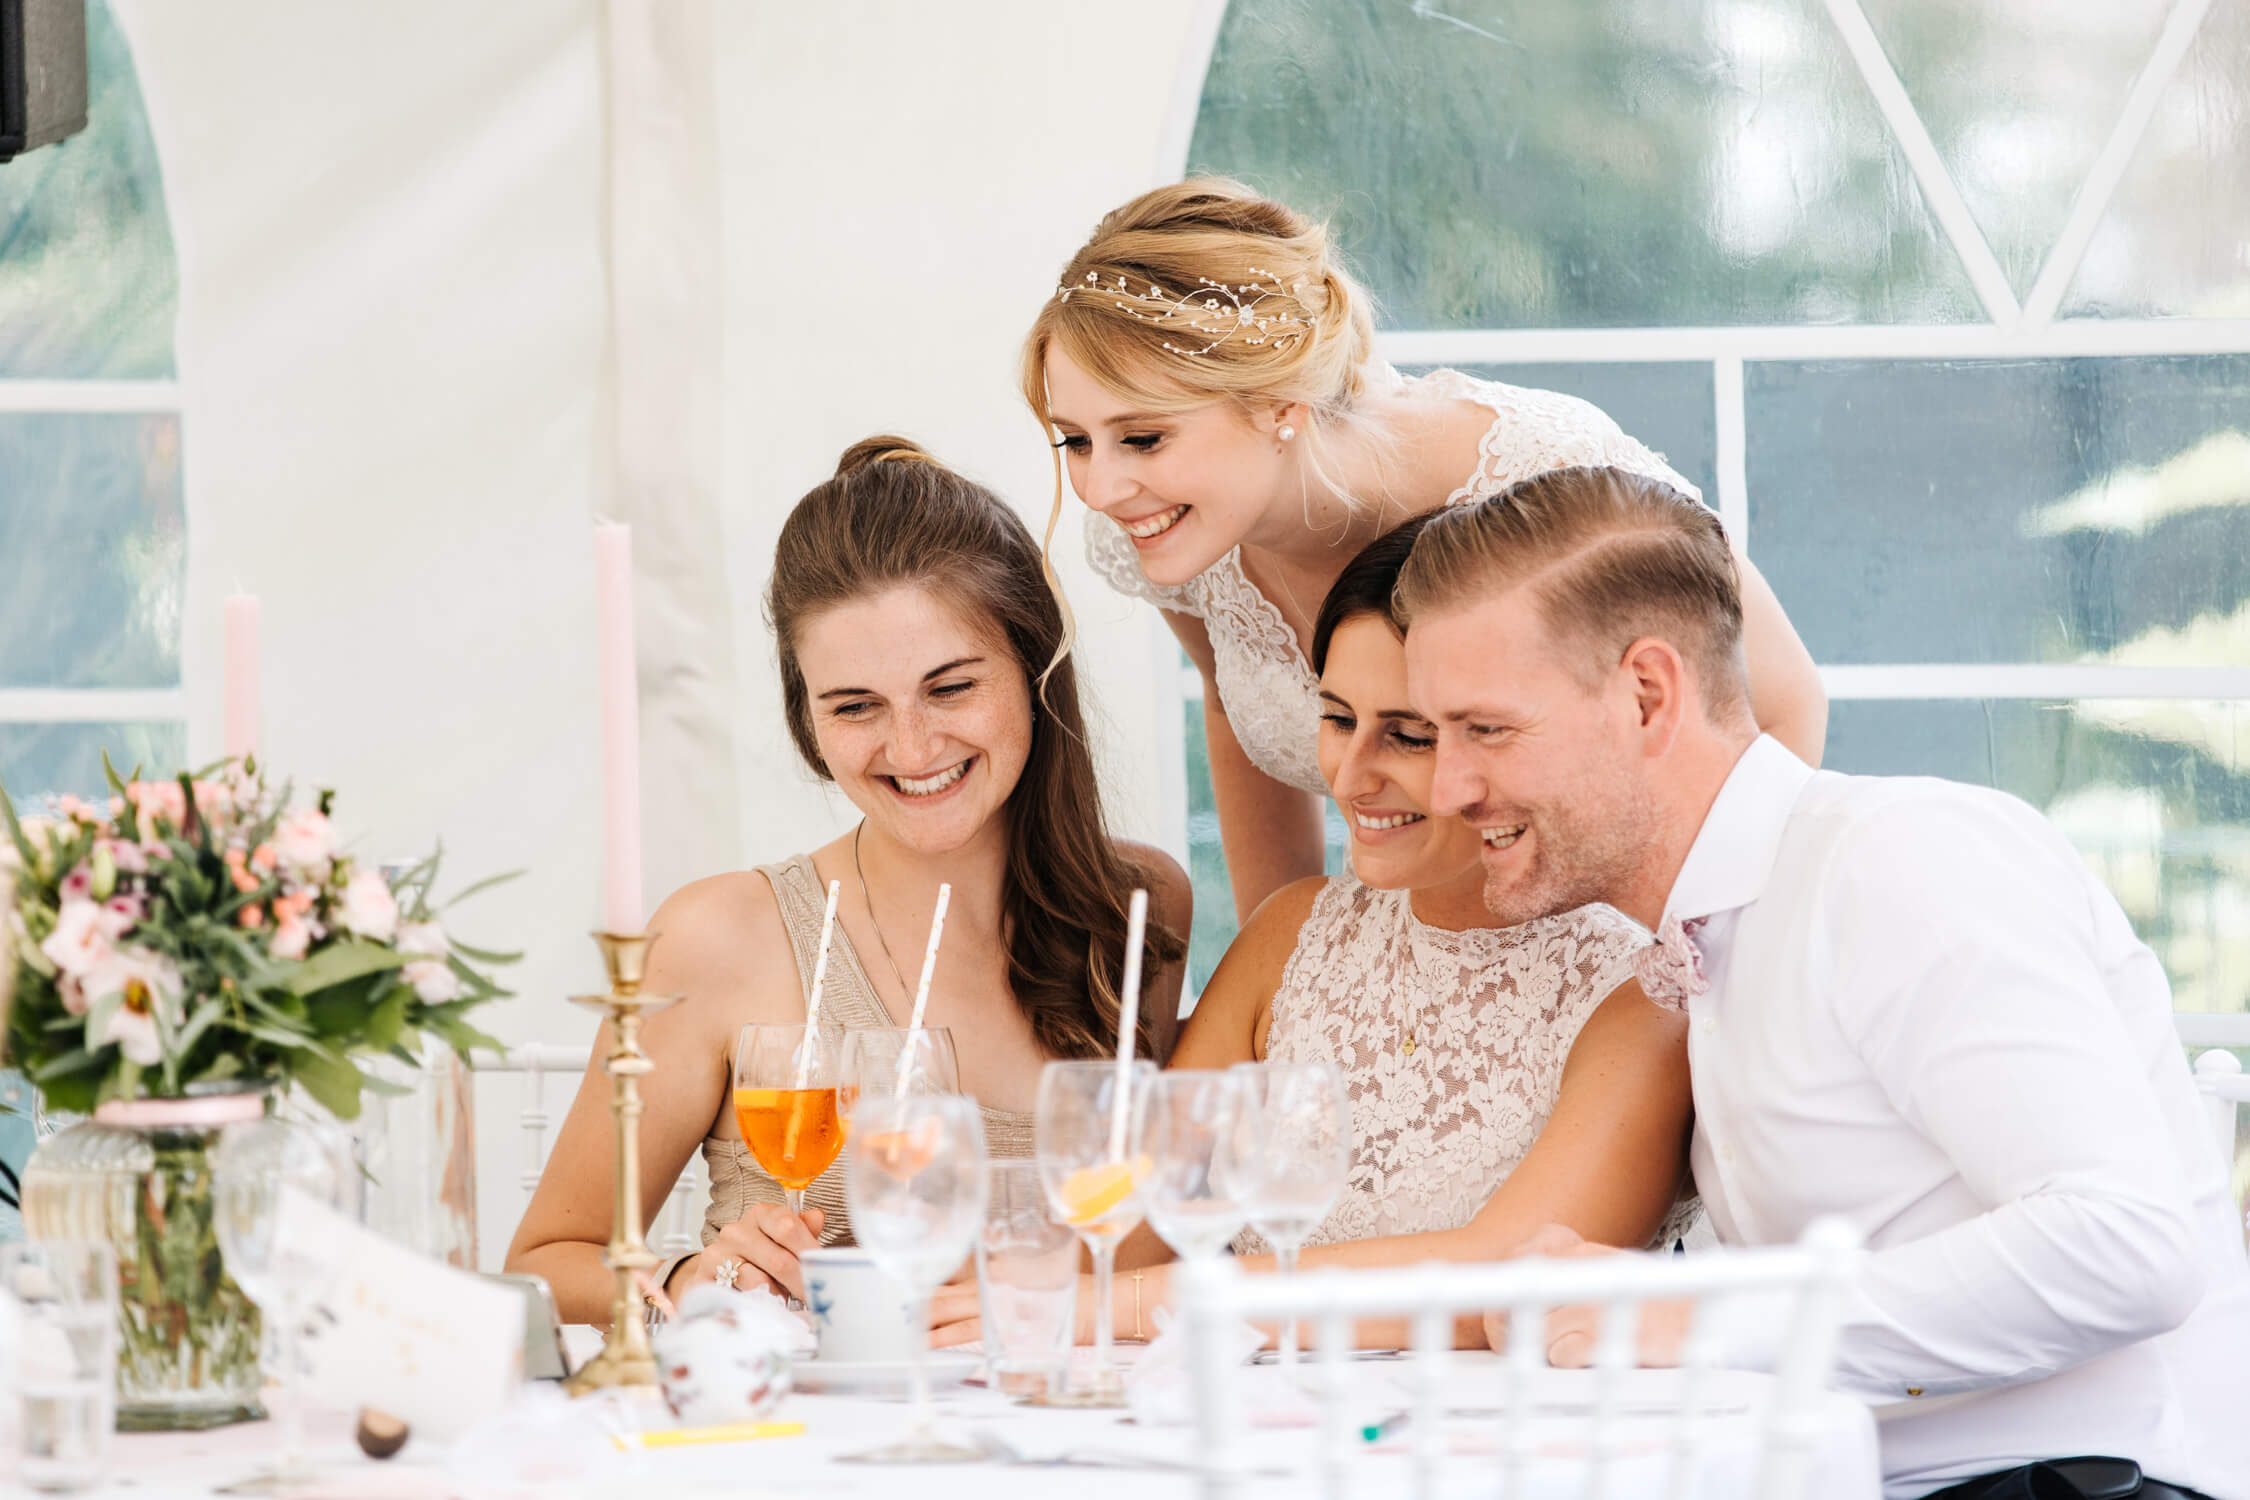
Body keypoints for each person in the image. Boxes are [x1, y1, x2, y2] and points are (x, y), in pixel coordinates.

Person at [1397, 463, 2250, 1500]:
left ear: (1647, 695)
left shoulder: (1897, 859)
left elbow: (2129, 1248)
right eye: (1435, 735)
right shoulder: (1722, 934)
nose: (1448, 788)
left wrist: (1681, 1317)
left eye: (1486, 730)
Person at [931, 520, 1693, 1350]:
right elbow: (1133, 1231)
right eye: (1337, 717)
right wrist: (870, 1269)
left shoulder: (1642, 988)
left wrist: (1097, 1312)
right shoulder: (1292, 934)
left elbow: (1496, 1279)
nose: (1353, 774)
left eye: (1408, 734)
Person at [507, 437, 1190, 1322]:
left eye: (949, 689)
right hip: (805, 1441)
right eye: (855, 706)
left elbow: (1145, 1253)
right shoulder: (715, 936)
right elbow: (542, 1262)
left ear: (1034, 667)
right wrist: (687, 1280)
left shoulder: (1139, 906)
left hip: (1069, 1437)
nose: (910, 750)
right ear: (808, 722)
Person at [1021, 178, 1827, 922]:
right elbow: (1234, 708)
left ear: (1277, 405)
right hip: (1415, 961)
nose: (1100, 488)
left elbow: (1782, 702)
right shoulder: (1172, 528)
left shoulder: (1537, 467)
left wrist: (1703, 957)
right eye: (1076, 441)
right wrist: (1286, 971)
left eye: (1144, 437)